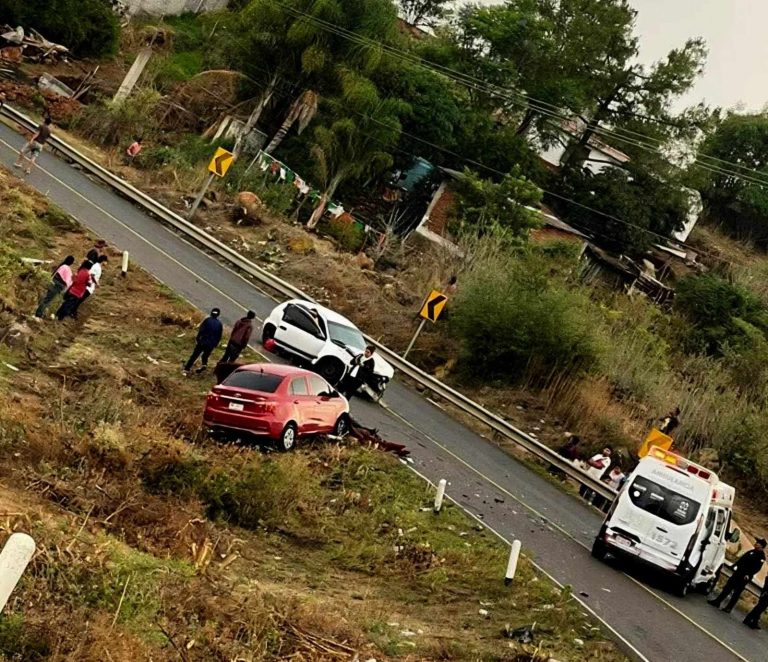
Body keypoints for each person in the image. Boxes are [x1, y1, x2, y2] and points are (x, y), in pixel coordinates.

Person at [708, 538, 766, 613]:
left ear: (761, 546)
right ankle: (717, 601)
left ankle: (729, 608)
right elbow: (742, 560)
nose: (756, 543)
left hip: (744, 576)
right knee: (727, 587)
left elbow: (757, 568)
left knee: (736, 592)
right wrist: (734, 565)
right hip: (738, 572)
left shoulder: (761, 557)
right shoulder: (752, 551)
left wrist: (748, 574)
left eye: (758, 543)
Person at [184, 308, 223, 375]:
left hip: (202, 342)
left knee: (195, 355)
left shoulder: (207, 320)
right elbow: (219, 336)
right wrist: (215, 344)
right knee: (205, 356)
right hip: (211, 344)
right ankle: (204, 364)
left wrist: (198, 339)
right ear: (218, 315)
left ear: (211, 313)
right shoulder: (219, 324)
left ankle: (187, 368)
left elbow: (201, 330)